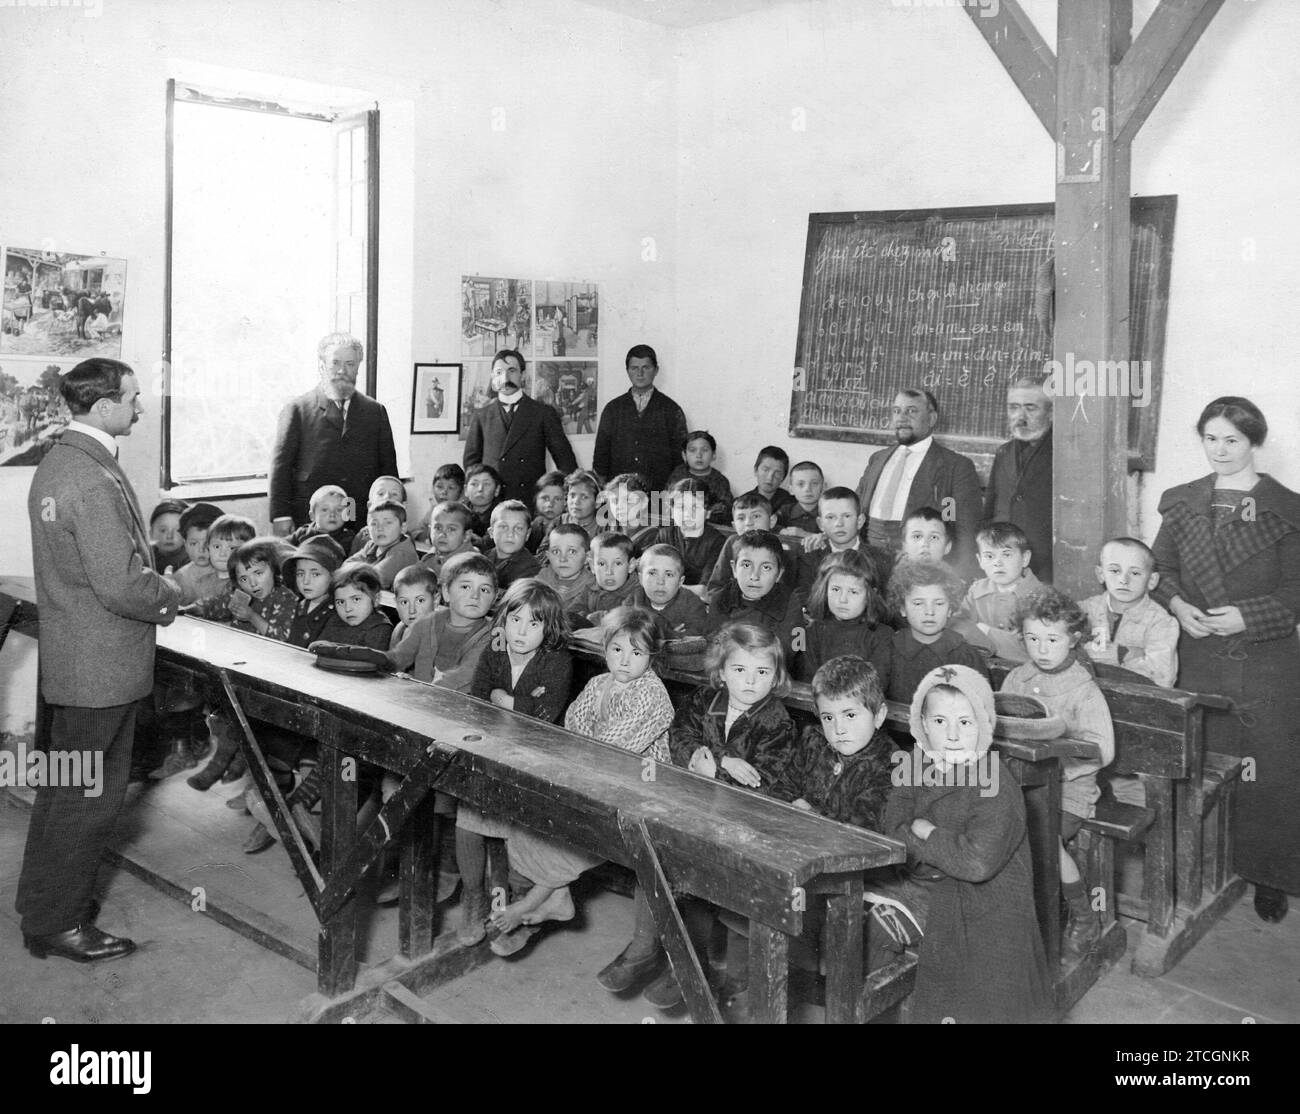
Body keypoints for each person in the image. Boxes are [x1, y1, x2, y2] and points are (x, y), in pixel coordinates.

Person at [18, 357, 180, 963]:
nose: (141, 407)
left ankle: (45, 907)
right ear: (106, 406)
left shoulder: (64, 461)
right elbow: (121, 585)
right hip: (101, 672)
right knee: (88, 801)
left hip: (77, 663)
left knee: (65, 794)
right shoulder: (89, 477)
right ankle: (57, 924)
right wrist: (174, 597)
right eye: (134, 398)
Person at [1150, 397, 1300, 924]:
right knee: (1200, 766)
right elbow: (1159, 568)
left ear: (1254, 443)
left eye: (1231, 440)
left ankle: (1268, 876)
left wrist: (1248, 617)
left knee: (1269, 772)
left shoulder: (1287, 507)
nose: (1220, 449)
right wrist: (1177, 603)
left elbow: (1296, 590)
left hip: (1265, 663)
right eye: (1211, 438)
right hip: (1198, 654)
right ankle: (1205, 867)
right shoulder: (1184, 501)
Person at [870, 665, 1053, 1023]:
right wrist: (930, 840)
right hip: (933, 888)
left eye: (965, 723)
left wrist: (927, 832)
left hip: (988, 914)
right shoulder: (915, 762)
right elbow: (894, 826)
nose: (952, 735)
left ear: (984, 726)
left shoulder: (995, 783)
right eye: (940, 722)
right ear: (922, 723)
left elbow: (976, 863)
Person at [489, 608, 675, 958]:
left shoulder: (652, 695)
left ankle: (532, 902)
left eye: (637, 653)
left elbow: (614, 748)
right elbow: (574, 724)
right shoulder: (598, 683)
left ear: (652, 656)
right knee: (530, 813)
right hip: (595, 773)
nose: (624, 661)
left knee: (570, 824)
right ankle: (554, 897)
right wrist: (582, 750)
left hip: (640, 788)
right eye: (617, 650)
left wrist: (584, 749)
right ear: (605, 649)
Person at [1000, 588, 1115, 959]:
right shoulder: (1016, 679)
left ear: (1074, 639)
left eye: (1052, 640)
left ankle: (1083, 918)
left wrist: (1058, 767)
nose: (1042, 649)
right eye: (1033, 639)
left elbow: (1103, 750)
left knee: (1040, 838)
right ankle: (1007, 918)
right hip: (1018, 785)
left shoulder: (1084, 689)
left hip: (1070, 794)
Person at [457, 580, 573, 945]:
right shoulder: (494, 649)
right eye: (515, 620)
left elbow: (545, 713)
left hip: (532, 756)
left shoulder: (557, 660)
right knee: (468, 822)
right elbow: (478, 697)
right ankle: (473, 896)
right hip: (491, 745)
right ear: (503, 620)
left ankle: (509, 904)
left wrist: (506, 700)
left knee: (512, 831)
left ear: (548, 629)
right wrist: (514, 700)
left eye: (534, 624)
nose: (521, 631)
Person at [269, 333, 398, 530]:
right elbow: (280, 468)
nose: (342, 371)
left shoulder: (375, 411)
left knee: (353, 557)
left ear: (357, 368)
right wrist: (280, 516)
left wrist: (391, 513)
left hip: (359, 514)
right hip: (310, 515)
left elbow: (388, 471)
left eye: (350, 364)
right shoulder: (297, 410)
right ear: (322, 366)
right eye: (335, 363)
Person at [854, 389, 982, 577]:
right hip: (867, 563)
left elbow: (964, 531)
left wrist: (957, 578)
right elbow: (855, 508)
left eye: (912, 411)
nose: (902, 418)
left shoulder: (956, 467)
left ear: (931, 418)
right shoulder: (877, 459)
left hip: (921, 570)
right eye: (897, 411)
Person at [463, 348, 577, 504]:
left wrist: (566, 495)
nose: (505, 378)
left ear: (522, 375)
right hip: (492, 503)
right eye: (499, 372)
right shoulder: (481, 415)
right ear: (492, 377)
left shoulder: (543, 413)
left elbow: (565, 460)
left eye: (512, 371)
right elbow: (471, 465)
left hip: (529, 500)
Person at [886, 560, 989, 705]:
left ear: (950, 609)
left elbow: (981, 708)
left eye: (939, 603)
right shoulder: (887, 651)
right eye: (918, 603)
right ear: (902, 608)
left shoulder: (966, 656)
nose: (929, 612)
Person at [1080, 537, 1179, 688]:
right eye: (1114, 571)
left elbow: (1162, 677)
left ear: (1152, 580)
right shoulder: (1084, 610)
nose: (1123, 580)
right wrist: (1133, 654)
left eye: (1135, 573)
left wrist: (1121, 655)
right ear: (1101, 574)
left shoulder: (1161, 622)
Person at [593, 344, 689, 493]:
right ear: (627, 371)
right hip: (619, 491)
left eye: (646, 367)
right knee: (618, 516)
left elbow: (680, 459)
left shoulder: (671, 409)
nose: (640, 373)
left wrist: (672, 491)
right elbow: (601, 454)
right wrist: (602, 491)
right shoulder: (613, 409)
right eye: (634, 368)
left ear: (656, 370)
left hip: (659, 491)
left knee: (657, 517)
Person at [985, 376, 1054, 581]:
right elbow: (989, 509)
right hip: (1002, 564)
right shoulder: (1003, 453)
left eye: (1030, 408)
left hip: (1044, 568)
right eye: (1013, 407)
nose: (1020, 417)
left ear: (1051, 413)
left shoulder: (1064, 455)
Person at [950, 521, 1044, 662]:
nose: (997, 563)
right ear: (980, 560)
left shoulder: (1041, 597)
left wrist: (984, 631)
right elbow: (956, 625)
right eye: (989, 556)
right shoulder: (977, 591)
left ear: (1025, 558)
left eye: (1006, 555)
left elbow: (1031, 648)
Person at [798, 549, 892, 686]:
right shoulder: (812, 631)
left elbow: (876, 684)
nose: (842, 599)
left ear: (870, 595)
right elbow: (806, 679)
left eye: (853, 592)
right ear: (825, 590)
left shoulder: (882, 636)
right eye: (835, 589)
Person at [591, 543, 712, 638]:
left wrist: (652, 633)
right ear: (640, 578)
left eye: (669, 575)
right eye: (652, 573)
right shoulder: (635, 598)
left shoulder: (692, 604)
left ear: (680, 582)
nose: (660, 581)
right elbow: (622, 628)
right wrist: (667, 634)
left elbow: (696, 637)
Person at [666, 430, 734, 526]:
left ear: (714, 455)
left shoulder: (719, 480)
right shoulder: (678, 475)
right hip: (678, 524)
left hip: (709, 528)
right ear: (684, 455)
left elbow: (726, 510)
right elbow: (666, 503)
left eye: (705, 450)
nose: (699, 455)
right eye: (692, 450)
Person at [536, 523, 596, 610]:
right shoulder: (539, 582)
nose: (562, 559)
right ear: (548, 555)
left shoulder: (593, 589)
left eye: (572, 551)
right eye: (556, 551)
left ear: (587, 557)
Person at [484, 500, 542, 588]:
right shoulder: (484, 558)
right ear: (491, 532)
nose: (510, 534)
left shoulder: (531, 569)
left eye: (518, 528)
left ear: (527, 534)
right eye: (503, 527)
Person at [287, 484, 357, 553]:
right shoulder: (303, 533)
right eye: (325, 510)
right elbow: (282, 545)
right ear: (312, 516)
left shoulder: (349, 538)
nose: (332, 514)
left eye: (338, 510)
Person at [148, 499, 188, 572]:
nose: (169, 536)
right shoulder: (145, 556)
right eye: (163, 530)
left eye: (177, 530)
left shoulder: (193, 560)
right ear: (151, 533)